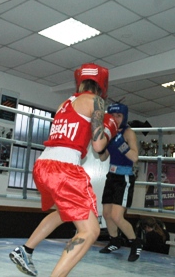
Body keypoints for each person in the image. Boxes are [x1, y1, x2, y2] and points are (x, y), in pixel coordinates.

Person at [9, 63, 117, 277]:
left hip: (43, 165)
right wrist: (108, 131)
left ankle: (26, 249)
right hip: (64, 169)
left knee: (63, 212)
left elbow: (82, 141)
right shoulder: (96, 101)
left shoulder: (64, 104)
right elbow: (98, 146)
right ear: (102, 84)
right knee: (90, 230)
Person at [98, 102, 142, 262]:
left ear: (124, 117)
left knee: (117, 216)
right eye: (113, 115)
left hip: (124, 178)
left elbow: (135, 157)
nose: (115, 119)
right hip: (111, 176)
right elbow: (103, 157)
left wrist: (121, 145)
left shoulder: (128, 132)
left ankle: (135, 243)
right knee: (107, 214)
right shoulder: (109, 132)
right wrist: (98, 145)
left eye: (119, 115)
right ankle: (114, 241)